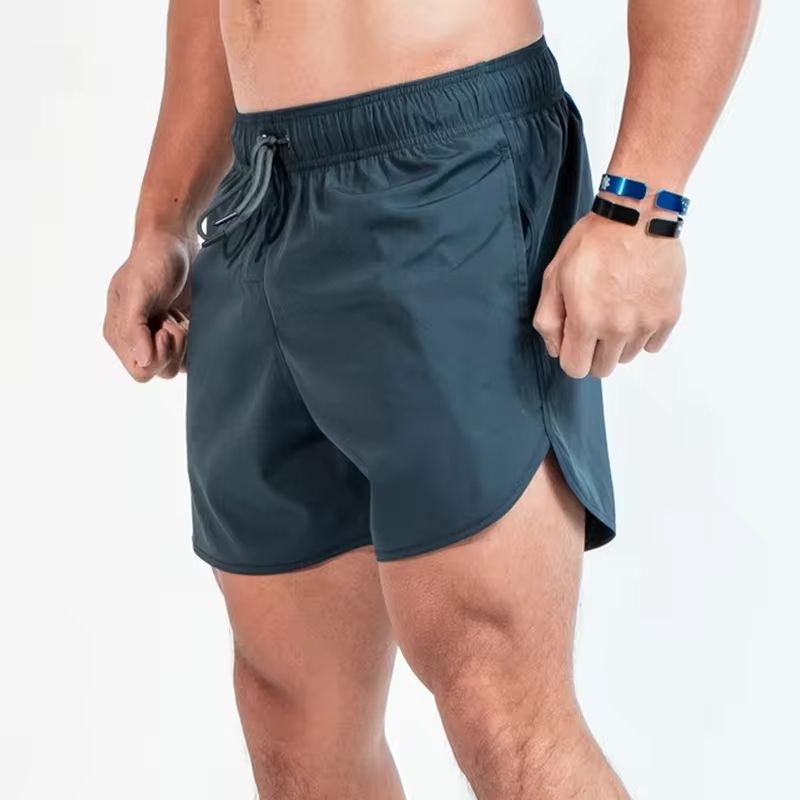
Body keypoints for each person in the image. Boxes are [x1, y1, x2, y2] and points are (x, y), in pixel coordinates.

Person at [103, 1, 759, 797]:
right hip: (257, 200)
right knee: (290, 711)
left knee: (498, 702)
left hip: (446, 167)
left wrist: (644, 211)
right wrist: (163, 222)